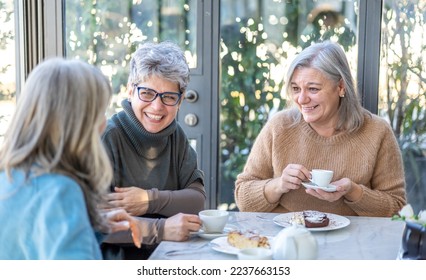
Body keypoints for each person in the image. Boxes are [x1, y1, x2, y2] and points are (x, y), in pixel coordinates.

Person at [234, 41, 406, 217]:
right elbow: (243, 197)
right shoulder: (279, 127)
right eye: (295, 88)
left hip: (352, 241)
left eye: (313, 89)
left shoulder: (376, 131)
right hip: (285, 238)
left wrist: (354, 192)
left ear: (340, 87)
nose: (301, 99)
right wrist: (278, 185)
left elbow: (397, 207)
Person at [0, 58, 142, 259]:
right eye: (99, 112)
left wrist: (89, 226)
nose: (104, 122)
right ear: (77, 124)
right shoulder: (60, 191)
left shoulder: (9, 176)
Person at [100, 41, 206, 259]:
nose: (157, 107)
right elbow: (98, 223)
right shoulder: (109, 137)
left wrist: (149, 199)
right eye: (147, 93)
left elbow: (196, 200)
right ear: (130, 91)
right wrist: (162, 228)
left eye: (168, 97)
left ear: (181, 100)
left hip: (172, 256)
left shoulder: (175, 135)